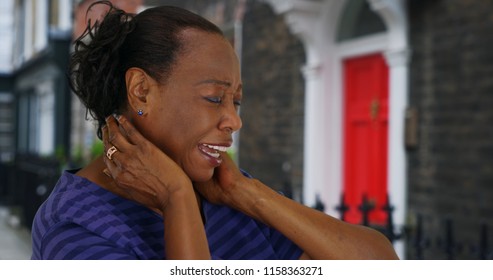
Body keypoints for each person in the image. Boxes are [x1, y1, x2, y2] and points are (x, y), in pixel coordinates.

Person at [31, 1, 399, 260]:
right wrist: (178, 199)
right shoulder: (73, 229)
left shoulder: (226, 198)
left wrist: (246, 192)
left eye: (235, 102)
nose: (234, 121)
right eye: (213, 98)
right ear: (141, 90)